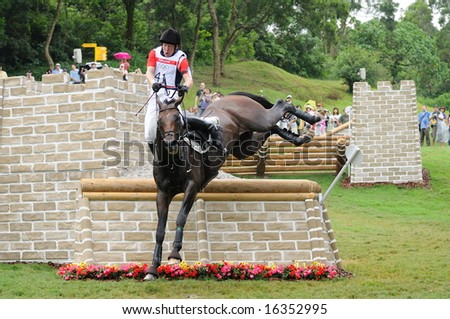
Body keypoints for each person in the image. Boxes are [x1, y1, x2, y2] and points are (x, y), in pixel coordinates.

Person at [145, 28, 222, 153]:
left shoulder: (180, 57)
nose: (166, 49)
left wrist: (185, 87)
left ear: (176, 47)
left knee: (181, 123)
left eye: (170, 46)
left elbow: (188, 79)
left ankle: (209, 125)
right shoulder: (154, 53)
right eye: (165, 45)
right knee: (149, 132)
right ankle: (157, 157)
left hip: (173, 97)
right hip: (157, 97)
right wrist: (153, 83)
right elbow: (149, 72)